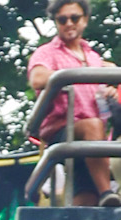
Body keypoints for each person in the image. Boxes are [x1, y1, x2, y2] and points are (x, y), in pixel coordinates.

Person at [28, 0, 120, 203]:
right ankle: (107, 192)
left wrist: (109, 90)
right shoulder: (47, 52)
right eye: (62, 19)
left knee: (86, 191)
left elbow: (101, 87)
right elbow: (38, 78)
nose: (69, 23)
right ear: (56, 22)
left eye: (75, 18)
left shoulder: (93, 57)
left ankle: (89, 216)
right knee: (92, 125)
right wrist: (69, 75)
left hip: (94, 136)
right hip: (62, 129)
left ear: (85, 20)